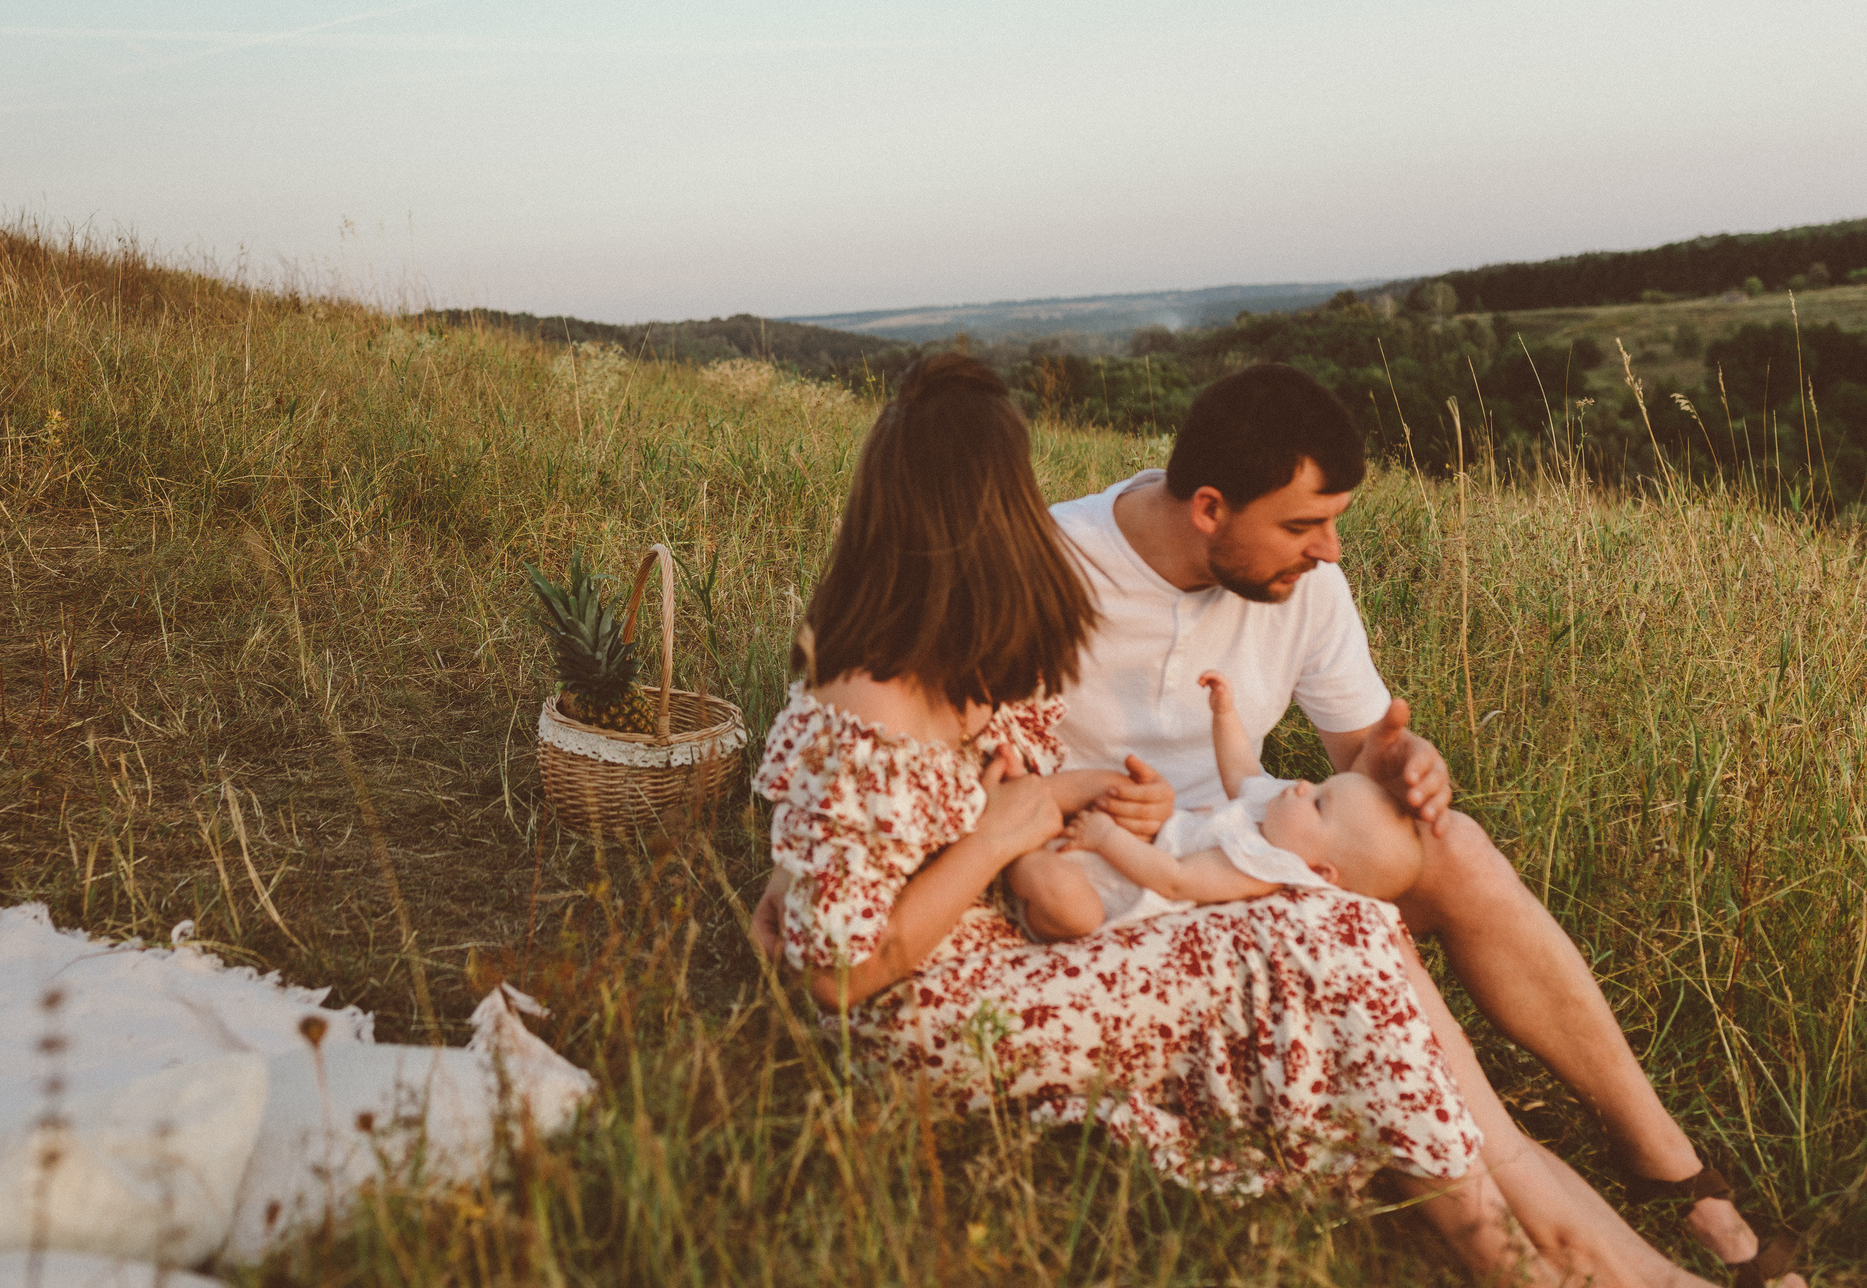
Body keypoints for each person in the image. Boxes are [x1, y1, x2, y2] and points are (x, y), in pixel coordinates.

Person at [752, 354, 1800, 1287]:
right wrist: (1016, 836)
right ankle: (1538, 1248)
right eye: (1304, 524)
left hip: (1169, 861)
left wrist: (1391, 759)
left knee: (1417, 872)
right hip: (1060, 929)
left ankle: (1627, 1185)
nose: (1328, 550)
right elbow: (839, 942)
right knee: (1343, 935)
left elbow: (980, 799)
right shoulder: (1012, 606)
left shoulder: (973, 648)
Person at [1009, 671, 1423, 939]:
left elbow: (1173, 879)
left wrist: (1105, 837)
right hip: (1109, 852)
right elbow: (1241, 770)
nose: (1301, 786)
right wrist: (1224, 713)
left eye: (1317, 804)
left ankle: (1012, 863)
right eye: (1318, 785)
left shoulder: (1260, 867)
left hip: (1112, 893)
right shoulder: (1270, 817)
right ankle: (1016, 826)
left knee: (1066, 900)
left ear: (1317, 872)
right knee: (1078, 804)